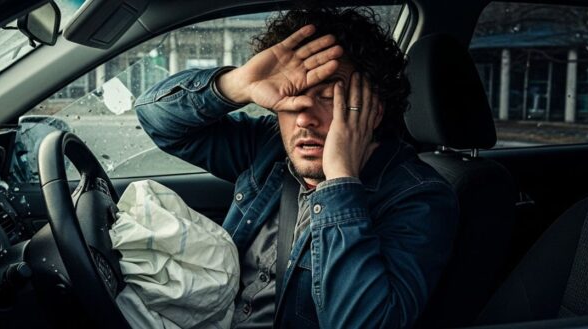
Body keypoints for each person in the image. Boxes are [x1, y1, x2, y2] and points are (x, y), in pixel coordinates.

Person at [134, 6, 458, 329]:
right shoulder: (269, 148)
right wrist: (238, 84)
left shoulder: (420, 198)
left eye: (328, 97)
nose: (303, 117)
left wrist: (340, 181)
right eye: (291, 95)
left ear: (374, 109)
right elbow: (157, 120)